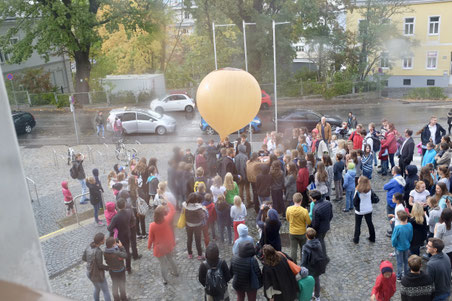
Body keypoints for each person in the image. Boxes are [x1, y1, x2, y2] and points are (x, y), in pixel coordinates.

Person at [148, 201, 178, 284]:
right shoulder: (167, 220)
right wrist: (168, 202)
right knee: (170, 258)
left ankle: (165, 280)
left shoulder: (152, 225)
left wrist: (149, 246)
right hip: (168, 244)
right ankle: (175, 272)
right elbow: (172, 210)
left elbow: (150, 237)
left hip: (159, 247)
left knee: (162, 264)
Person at [82, 233, 112, 301]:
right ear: (101, 241)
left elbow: (84, 258)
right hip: (97, 275)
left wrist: (91, 262)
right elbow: (100, 265)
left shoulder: (88, 246)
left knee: (97, 288)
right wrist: (108, 267)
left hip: (89, 272)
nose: (105, 239)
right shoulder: (98, 251)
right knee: (106, 291)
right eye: (104, 239)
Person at [107, 199, 133, 273]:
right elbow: (131, 221)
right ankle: (129, 268)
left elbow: (109, 228)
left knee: (119, 252)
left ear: (117, 206)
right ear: (124, 205)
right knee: (127, 250)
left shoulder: (116, 217)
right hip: (127, 233)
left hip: (119, 237)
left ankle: (121, 267)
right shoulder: (129, 211)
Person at [301, 228, 327, 301]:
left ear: (306, 236)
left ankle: (309, 296)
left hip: (310, 267)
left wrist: (301, 268)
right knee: (317, 281)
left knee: (309, 282)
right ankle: (317, 296)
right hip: (317, 265)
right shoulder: (318, 243)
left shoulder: (305, 247)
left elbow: (304, 260)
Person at [286, 192, 311, 264]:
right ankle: (303, 262)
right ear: (301, 200)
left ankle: (294, 264)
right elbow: (309, 222)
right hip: (302, 233)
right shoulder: (304, 211)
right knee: (303, 249)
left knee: (293, 249)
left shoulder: (288, 209)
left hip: (292, 232)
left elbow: (288, 219)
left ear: (293, 200)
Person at [352, 176, 376, 243]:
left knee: (358, 225)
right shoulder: (370, 190)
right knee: (370, 223)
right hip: (368, 209)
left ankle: (356, 239)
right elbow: (373, 199)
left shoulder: (358, 191)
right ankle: (372, 237)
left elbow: (355, 202)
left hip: (360, 210)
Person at [310, 190, 333, 257]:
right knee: (321, 240)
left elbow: (315, 223)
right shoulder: (328, 203)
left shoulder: (316, 208)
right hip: (326, 226)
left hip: (319, 230)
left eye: (311, 198)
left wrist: (312, 228)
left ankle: (322, 255)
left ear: (314, 199)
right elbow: (331, 216)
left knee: (320, 242)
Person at [384, 166, 406, 236]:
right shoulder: (402, 179)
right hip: (398, 200)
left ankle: (394, 231)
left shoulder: (394, 181)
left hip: (392, 201)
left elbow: (385, 187)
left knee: (392, 217)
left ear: (394, 172)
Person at [391, 210, 413, 280]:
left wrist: (394, 245)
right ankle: (406, 273)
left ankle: (399, 276)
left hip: (399, 248)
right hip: (407, 246)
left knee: (399, 262)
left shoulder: (397, 228)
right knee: (406, 261)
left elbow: (394, 239)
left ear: (399, 218)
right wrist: (408, 242)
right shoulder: (410, 225)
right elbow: (411, 235)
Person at [183, 192, 205, 260]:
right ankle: (200, 255)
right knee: (198, 240)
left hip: (188, 225)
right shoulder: (198, 207)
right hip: (197, 226)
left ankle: (190, 254)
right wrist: (204, 210)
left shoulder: (185, 205)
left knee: (189, 239)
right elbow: (202, 217)